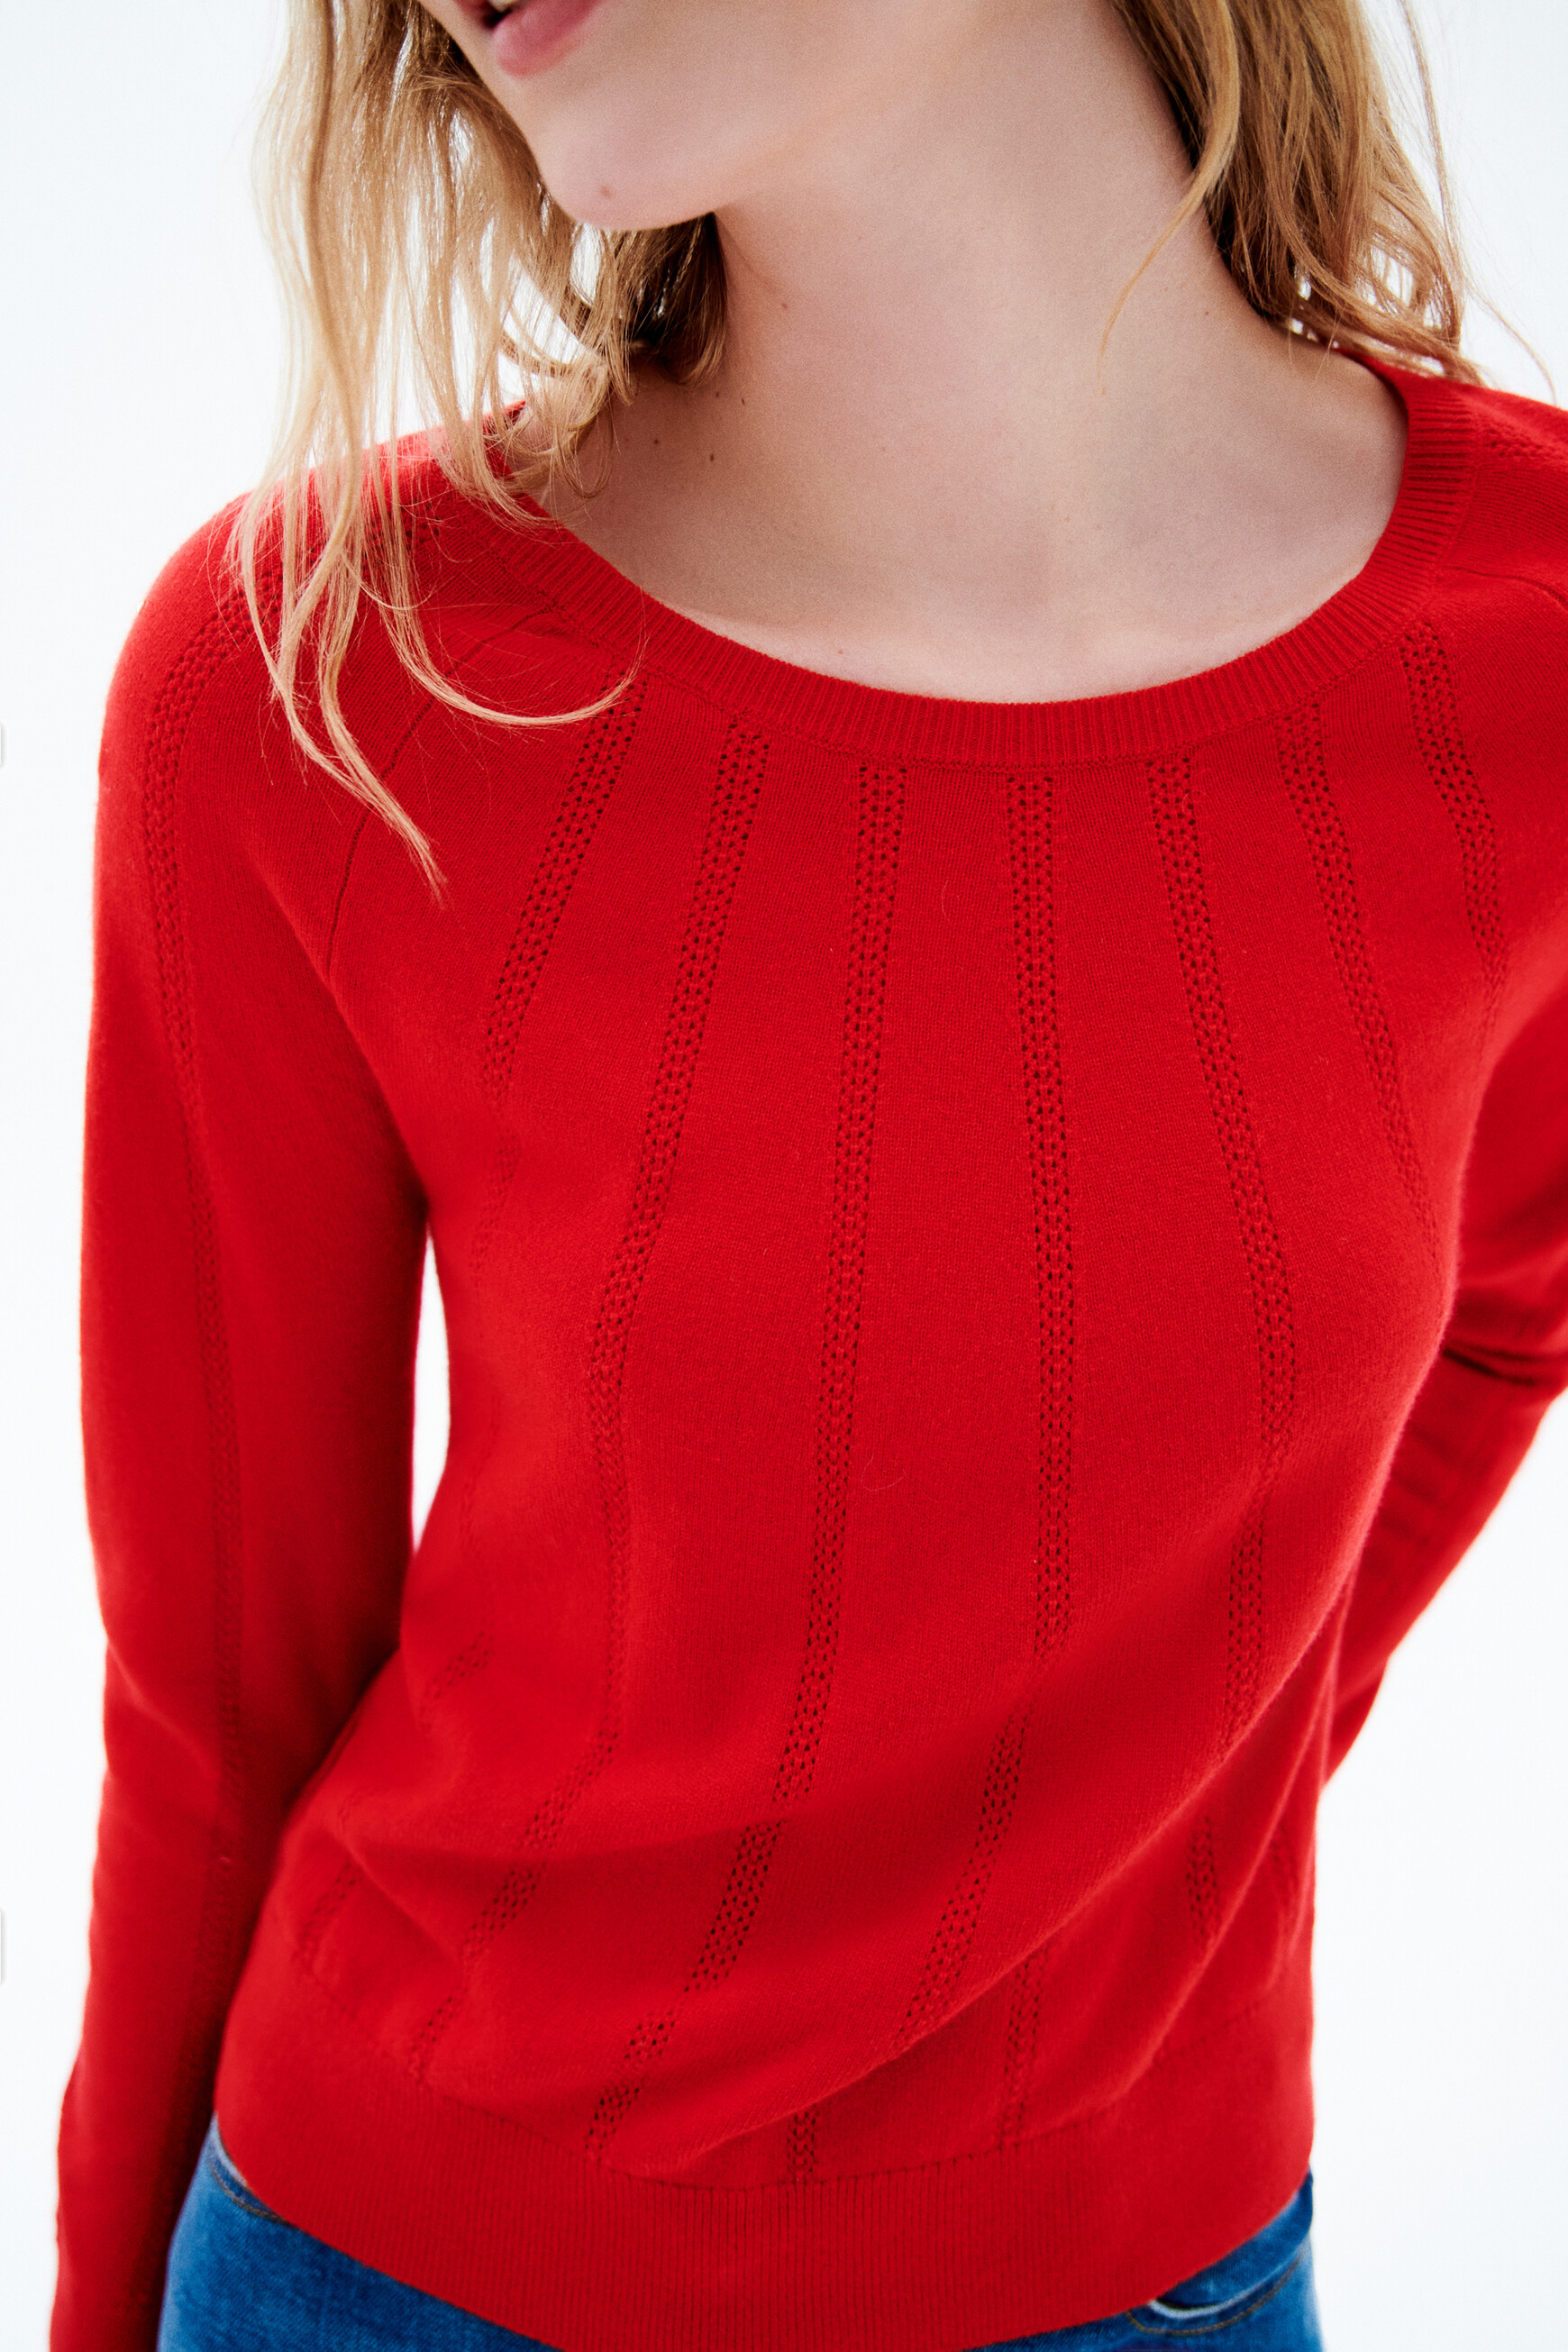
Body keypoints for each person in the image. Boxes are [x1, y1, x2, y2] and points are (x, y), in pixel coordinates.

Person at [50, 0, 1568, 2347]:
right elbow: (219, 1714)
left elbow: (1507, 1300)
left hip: (1154, 2279)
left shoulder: (1527, 649)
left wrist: (1129, 1827)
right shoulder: (320, 682)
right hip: (377, 2278)